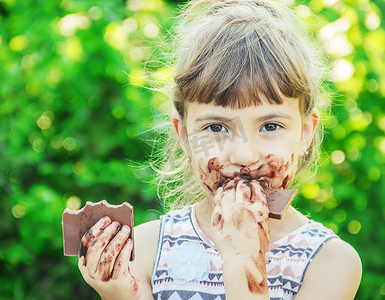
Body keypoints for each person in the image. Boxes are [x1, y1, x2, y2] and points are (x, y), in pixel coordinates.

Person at [77, 0, 362, 299]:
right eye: (216, 128)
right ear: (185, 136)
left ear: (305, 132)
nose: (243, 156)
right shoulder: (147, 249)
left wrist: (244, 262)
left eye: (270, 126)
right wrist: (120, 292)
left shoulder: (329, 262)